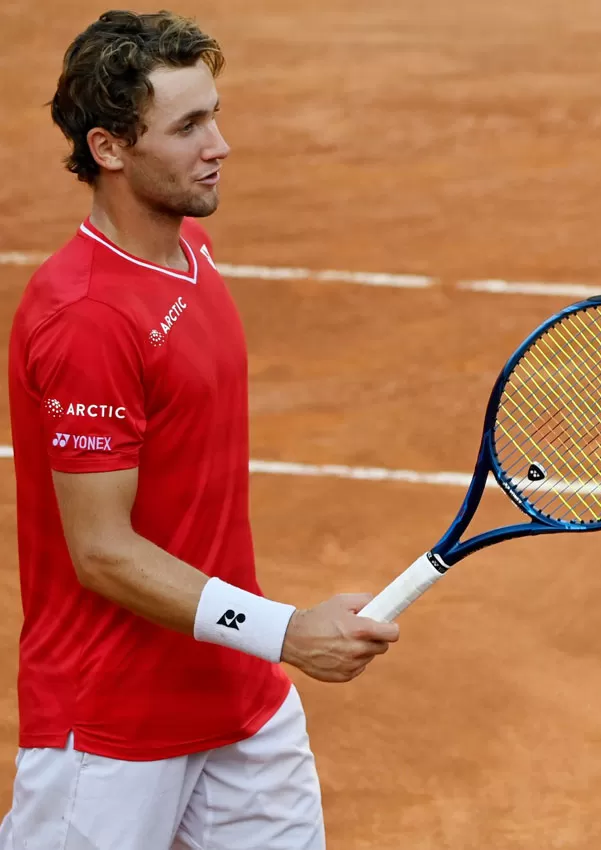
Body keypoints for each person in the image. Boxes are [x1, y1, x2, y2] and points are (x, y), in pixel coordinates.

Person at [1, 11, 400, 849]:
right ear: (110, 149)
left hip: (239, 707)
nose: (218, 144)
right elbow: (103, 551)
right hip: (112, 734)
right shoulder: (85, 318)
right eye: (187, 126)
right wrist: (284, 630)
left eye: (213, 114)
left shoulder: (193, 254)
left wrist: (261, 649)